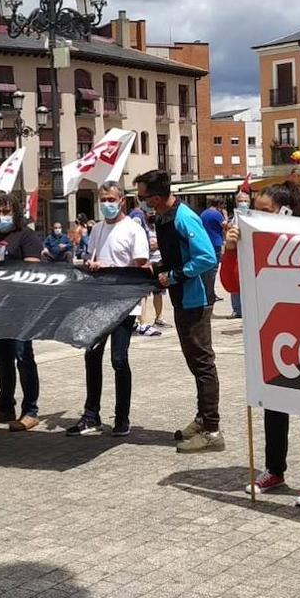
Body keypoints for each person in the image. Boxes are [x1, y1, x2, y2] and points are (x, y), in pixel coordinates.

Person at [219, 180, 300, 507]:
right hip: (271, 336)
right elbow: (232, 284)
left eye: (264, 209)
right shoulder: (249, 241)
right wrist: (230, 252)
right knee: (273, 403)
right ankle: (274, 469)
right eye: (254, 207)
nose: (254, 214)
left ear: (285, 212)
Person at [134, 169, 222, 453]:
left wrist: (172, 276)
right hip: (182, 299)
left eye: (144, 197)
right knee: (196, 364)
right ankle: (202, 418)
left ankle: (212, 430)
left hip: (195, 299)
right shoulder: (163, 216)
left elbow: (207, 257)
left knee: (203, 364)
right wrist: (159, 267)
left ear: (157, 197)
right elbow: (176, 254)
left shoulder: (184, 217)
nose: (142, 202)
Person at [68, 181, 149, 437]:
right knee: (91, 356)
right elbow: (91, 257)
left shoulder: (133, 229)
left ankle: (122, 417)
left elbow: (140, 268)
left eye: (111, 199)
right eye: (103, 200)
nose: (107, 204)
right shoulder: (97, 229)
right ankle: (91, 415)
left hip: (123, 305)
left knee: (119, 359)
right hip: (98, 303)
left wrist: (111, 270)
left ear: (122, 200)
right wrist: (91, 264)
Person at [0, 193, 45, 431]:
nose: (1, 217)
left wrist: (1, 265)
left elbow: (33, 267)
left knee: (23, 357)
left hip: (21, 306)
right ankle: (5, 406)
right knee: (2, 358)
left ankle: (31, 410)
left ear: (15, 213)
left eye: (6, 212)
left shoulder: (26, 235)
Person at [229, 190, 252, 319]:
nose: (243, 203)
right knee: (234, 281)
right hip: (236, 254)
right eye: (240, 201)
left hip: (250, 255)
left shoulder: (253, 217)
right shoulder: (233, 219)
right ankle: (237, 309)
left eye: (245, 201)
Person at [200, 196, 227, 305]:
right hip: (215, 244)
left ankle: (209, 293)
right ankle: (209, 294)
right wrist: (225, 215)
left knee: (206, 270)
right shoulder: (217, 214)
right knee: (213, 271)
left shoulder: (203, 214)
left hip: (205, 243)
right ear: (220, 204)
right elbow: (226, 226)